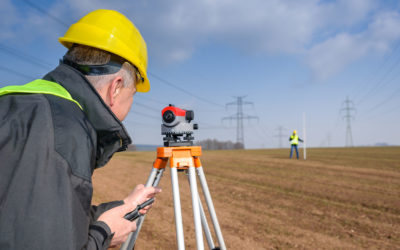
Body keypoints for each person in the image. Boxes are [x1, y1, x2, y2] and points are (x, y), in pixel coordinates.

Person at [0, 9, 161, 249]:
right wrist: (104, 234)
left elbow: (33, 219)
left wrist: (120, 208)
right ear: (116, 88)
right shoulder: (62, 131)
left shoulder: (20, 105)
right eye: (133, 94)